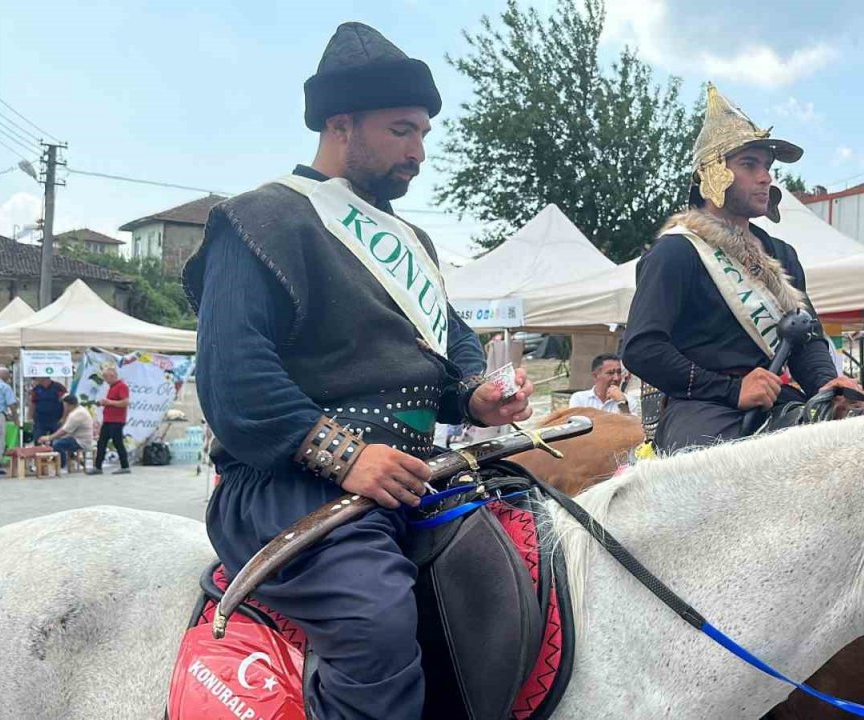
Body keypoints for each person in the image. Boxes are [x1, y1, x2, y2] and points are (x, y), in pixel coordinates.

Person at [181, 22, 523, 720]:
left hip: (411, 476)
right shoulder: (258, 218)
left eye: (423, 133)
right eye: (402, 130)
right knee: (375, 624)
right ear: (341, 125)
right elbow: (234, 381)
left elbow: (448, 342)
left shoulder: (410, 241)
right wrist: (345, 456)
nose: (418, 152)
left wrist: (477, 395)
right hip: (286, 484)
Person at [622, 84, 855, 454]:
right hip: (701, 408)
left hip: (776, 399)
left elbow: (806, 338)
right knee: (705, 479)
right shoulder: (676, 252)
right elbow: (642, 349)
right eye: (749, 164)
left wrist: (827, 385)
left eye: (767, 167)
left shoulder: (782, 254)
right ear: (714, 173)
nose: (766, 177)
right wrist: (732, 389)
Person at [91, 366, 131, 475]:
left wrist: (109, 402)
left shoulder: (122, 386)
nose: (104, 379)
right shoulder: (112, 387)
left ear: (112, 376)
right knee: (101, 442)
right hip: (108, 419)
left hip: (117, 420)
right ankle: (98, 467)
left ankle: (125, 466)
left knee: (118, 443)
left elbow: (125, 402)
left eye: (106, 376)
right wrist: (103, 403)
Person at [38, 394, 93, 473]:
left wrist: (48, 438)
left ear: (69, 405)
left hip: (81, 441)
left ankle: (61, 465)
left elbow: (64, 431)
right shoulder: (80, 410)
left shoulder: (76, 414)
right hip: (76, 437)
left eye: (64, 405)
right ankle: (72, 459)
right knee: (57, 440)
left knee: (57, 444)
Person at [569, 353, 637, 415]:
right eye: (610, 373)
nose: (616, 378)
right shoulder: (580, 399)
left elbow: (629, 424)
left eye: (619, 372)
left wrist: (622, 403)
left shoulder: (629, 401)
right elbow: (575, 423)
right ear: (595, 376)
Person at [29, 376, 67, 440]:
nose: (34, 380)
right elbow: (33, 403)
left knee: (56, 440)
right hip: (40, 420)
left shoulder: (58, 387)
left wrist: (64, 417)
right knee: (38, 439)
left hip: (56, 419)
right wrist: (30, 417)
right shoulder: (36, 389)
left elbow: (65, 403)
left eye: (36, 378)